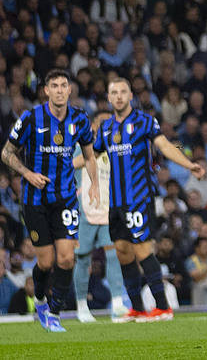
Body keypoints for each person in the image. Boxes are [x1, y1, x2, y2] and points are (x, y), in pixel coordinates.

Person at [94, 77, 204, 322]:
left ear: (130, 95)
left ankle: (163, 307)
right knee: (123, 251)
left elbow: (164, 145)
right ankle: (137, 308)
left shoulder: (144, 122)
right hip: (116, 202)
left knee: (143, 251)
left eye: (123, 91)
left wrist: (189, 165)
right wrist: (63, 167)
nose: (119, 96)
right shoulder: (106, 128)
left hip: (139, 198)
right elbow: (92, 155)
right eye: (114, 92)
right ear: (109, 98)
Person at [2, 69, 100, 332]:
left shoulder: (80, 119)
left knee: (67, 259)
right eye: (53, 85)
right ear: (46, 90)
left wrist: (95, 187)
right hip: (35, 200)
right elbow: (7, 152)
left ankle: (54, 313)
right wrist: (27, 173)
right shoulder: (31, 118)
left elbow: (90, 157)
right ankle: (41, 299)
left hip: (66, 198)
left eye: (63, 85)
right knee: (45, 262)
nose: (59, 90)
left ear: (70, 90)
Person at [71, 117, 128, 322]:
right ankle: (81, 306)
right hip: (85, 210)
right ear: (94, 126)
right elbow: (69, 170)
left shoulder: (116, 150)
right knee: (83, 258)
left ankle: (118, 304)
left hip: (108, 212)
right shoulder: (80, 148)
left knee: (114, 255)